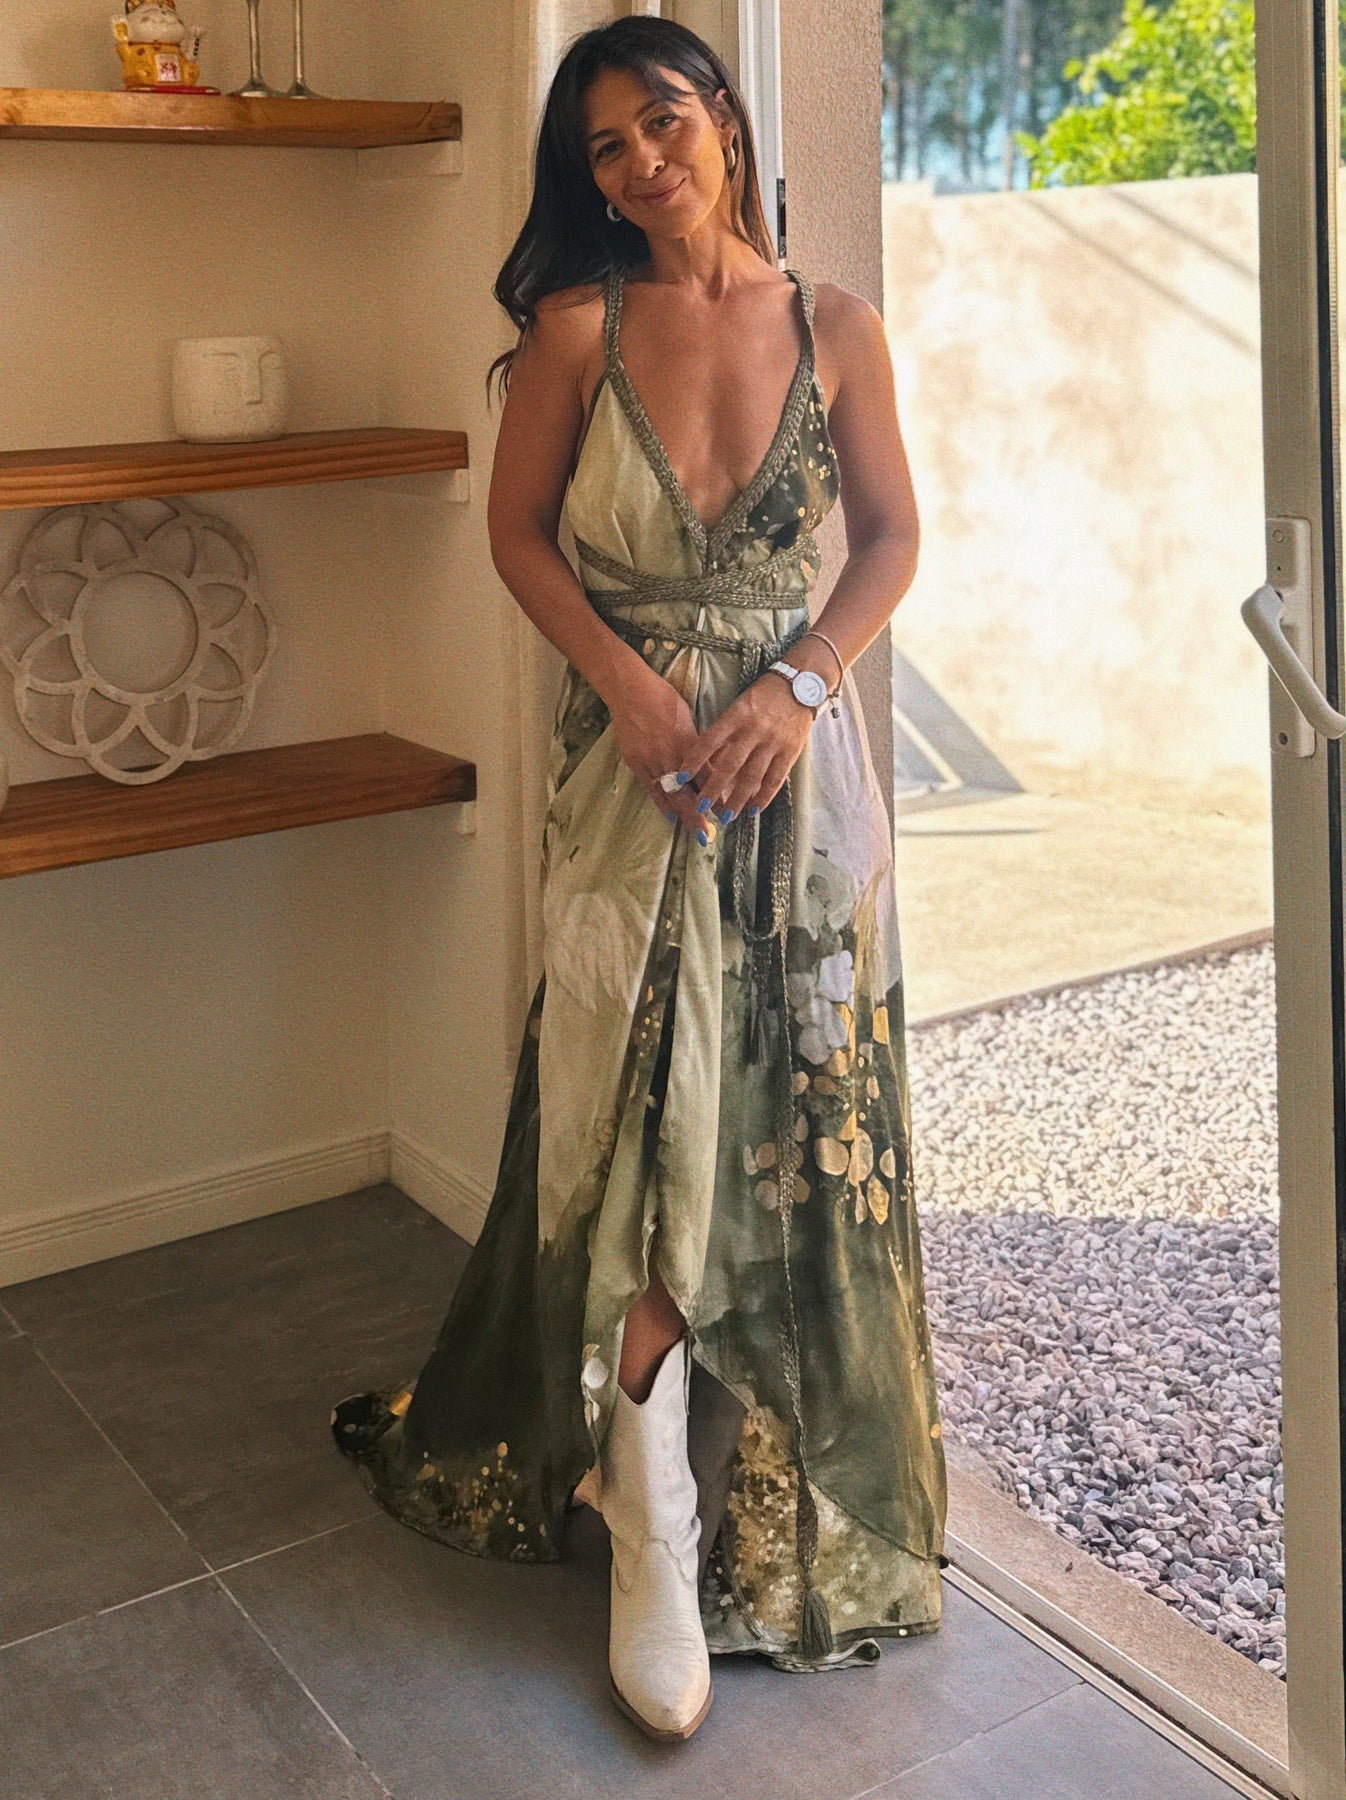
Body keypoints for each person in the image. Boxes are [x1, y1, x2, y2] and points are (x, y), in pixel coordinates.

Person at [331, 14, 948, 1744]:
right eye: (603, 147)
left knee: (787, 1104)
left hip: (799, 784)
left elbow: (891, 536)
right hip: (634, 779)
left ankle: (734, 1471)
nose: (640, 162)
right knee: (633, 1102)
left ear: (722, 120)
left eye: (661, 120)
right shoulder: (573, 330)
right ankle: (648, 1519)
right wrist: (625, 683)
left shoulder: (837, 328)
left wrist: (801, 683)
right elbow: (518, 536)